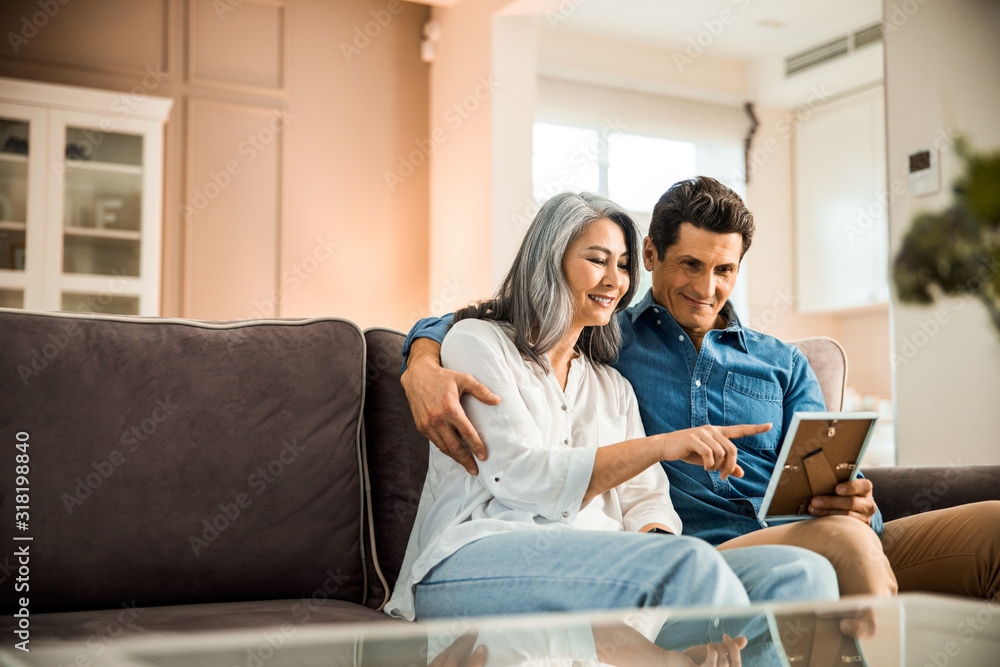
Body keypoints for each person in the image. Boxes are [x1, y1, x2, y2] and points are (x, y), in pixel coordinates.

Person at [401, 177, 1000, 600]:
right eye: (689, 265)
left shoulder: (782, 362)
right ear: (653, 257)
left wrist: (854, 499)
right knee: (844, 546)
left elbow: (822, 466)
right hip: (722, 549)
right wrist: (421, 357)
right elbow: (503, 319)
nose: (707, 288)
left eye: (724, 270)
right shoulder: (611, 338)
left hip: (831, 531)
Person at [384, 192, 839, 621]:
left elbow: (646, 496)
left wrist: (655, 539)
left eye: (621, 266)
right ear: (549, 259)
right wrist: (421, 357)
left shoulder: (611, 382)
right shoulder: (479, 343)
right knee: (689, 567)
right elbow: (518, 476)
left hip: (596, 560)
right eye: (597, 260)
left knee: (801, 572)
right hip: (482, 548)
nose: (614, 280)